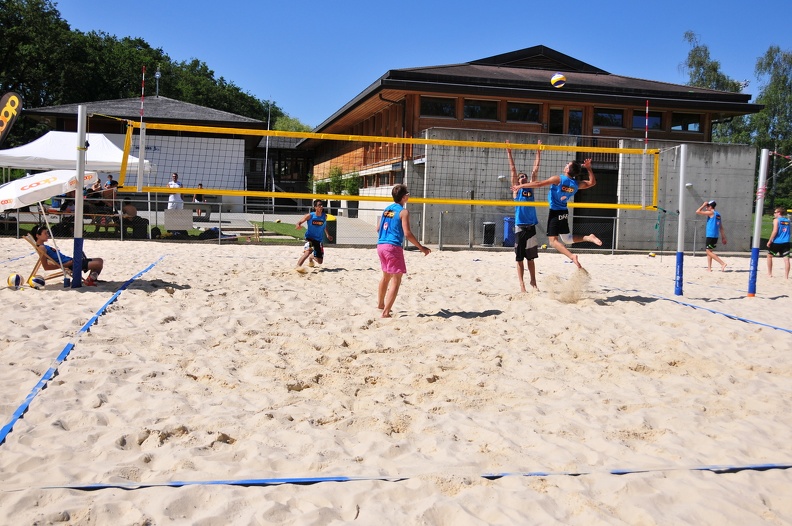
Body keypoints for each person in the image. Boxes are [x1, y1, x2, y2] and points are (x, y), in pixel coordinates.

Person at [513, 158, 602, 268]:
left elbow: (539, 184)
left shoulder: (559, 179)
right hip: (564, 211)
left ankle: (572, 256)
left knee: (553, 242)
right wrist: (589, 168)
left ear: (567, 169)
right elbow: (592, 183)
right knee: (567, 239)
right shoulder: (575, 184)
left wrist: (520, 186)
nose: (565, 165)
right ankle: (589, 237)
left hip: (555, 212)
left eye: (567, 164)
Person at [376, 184, 431, 318]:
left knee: (385, 276)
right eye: (408, 194)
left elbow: (378, 228)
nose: (409, 196)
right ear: (404, 196)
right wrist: (421, 247)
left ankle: (380, 304)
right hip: (393, 247)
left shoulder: (387, 209)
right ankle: (386, 312)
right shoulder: (403, 211)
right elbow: (407, 233)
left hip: (381, 246)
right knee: (396, 279)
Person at [507, 140, 541, 291]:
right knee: (519, 258)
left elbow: (535, 170)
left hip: (531, 227)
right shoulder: (517, 191)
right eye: (521, 177)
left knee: (531, 258)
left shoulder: (531, 189)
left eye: (524, 177)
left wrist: (538, 151)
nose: (523, 178)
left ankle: (533, 282)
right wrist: (509, 151)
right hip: (520, 227)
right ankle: (522, 285)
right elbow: (513, 169)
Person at [31, 224, 104, 286]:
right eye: (45, 233)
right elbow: (46, 267)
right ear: (38, 235)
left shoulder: (43, 246)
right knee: (98, 263)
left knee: (99, 260)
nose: (48, 235)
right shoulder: (42, 248)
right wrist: (65, 265)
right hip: (70, 264)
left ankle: (90, 279)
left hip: (71, 261)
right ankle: (90, 280)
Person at [295, 199, 333, 270]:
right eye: (319, 205)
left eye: (322, 205)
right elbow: (299, 222)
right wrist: (298, 225)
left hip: (318, 240)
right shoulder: (310, 216)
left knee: (320, 262)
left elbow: (324, 226)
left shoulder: (324, 216)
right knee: (308, 252)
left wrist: (328, 235)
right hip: (310, 238)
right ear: (315, 207)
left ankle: (311, 257)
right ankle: (297, 267)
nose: (321, 206)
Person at [696, 200, 727, 271]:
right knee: (710, 252)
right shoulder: (718, 214)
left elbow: (697, 211)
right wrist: (723, 237)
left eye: (707, 206)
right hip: (715, 235)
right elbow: (721, 227)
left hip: (711, 235)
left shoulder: (711, 212)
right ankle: (709, 268)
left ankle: (722, 263)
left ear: (710, 207)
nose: (706, 208)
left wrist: (703, 205)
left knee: (708, 251)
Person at [766, 206, 790, 279]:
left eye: (775, 212)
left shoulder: (776, 220)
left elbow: (775, 231)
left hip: (777, 241)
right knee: (786, 259)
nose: (774, 214)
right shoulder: (788, 221)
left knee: (769, 256)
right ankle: (786, 276)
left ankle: (769, 273)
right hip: (786, 241)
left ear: (779, 213)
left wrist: (770, 240)